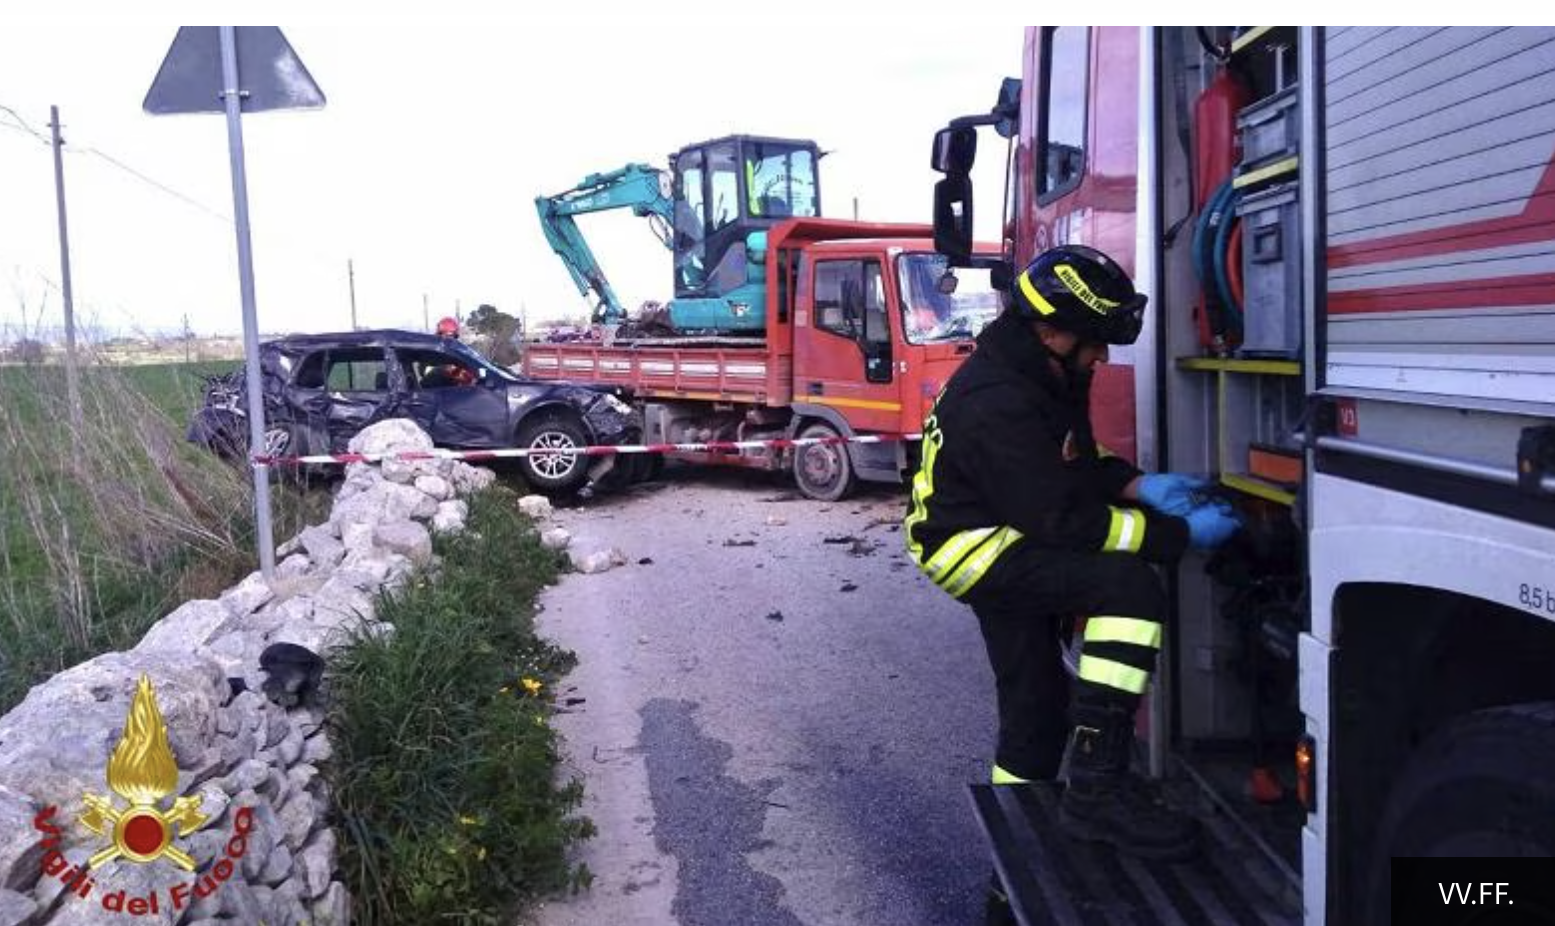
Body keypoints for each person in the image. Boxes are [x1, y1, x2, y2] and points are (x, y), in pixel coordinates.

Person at [903, 244, 1240, 860]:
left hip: (1002, 530)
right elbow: (1060, 517)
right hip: (975, 548)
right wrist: (1177, 537)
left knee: (1036, 706)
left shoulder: (1044, 372)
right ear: (1053, 331)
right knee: (1129, 587)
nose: (1104, 355)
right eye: (1096, 340)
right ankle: (1095, 797)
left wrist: (1139, 485)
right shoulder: (998, 399)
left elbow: (1071, 463)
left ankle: (1017, 850)